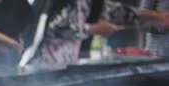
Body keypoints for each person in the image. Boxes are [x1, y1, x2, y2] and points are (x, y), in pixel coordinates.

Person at [29, 0, 169, 67]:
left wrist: (154, 16)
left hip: (66, 68)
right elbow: (53, 29)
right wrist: (94, 29)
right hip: (41, 67)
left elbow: (115, 11)